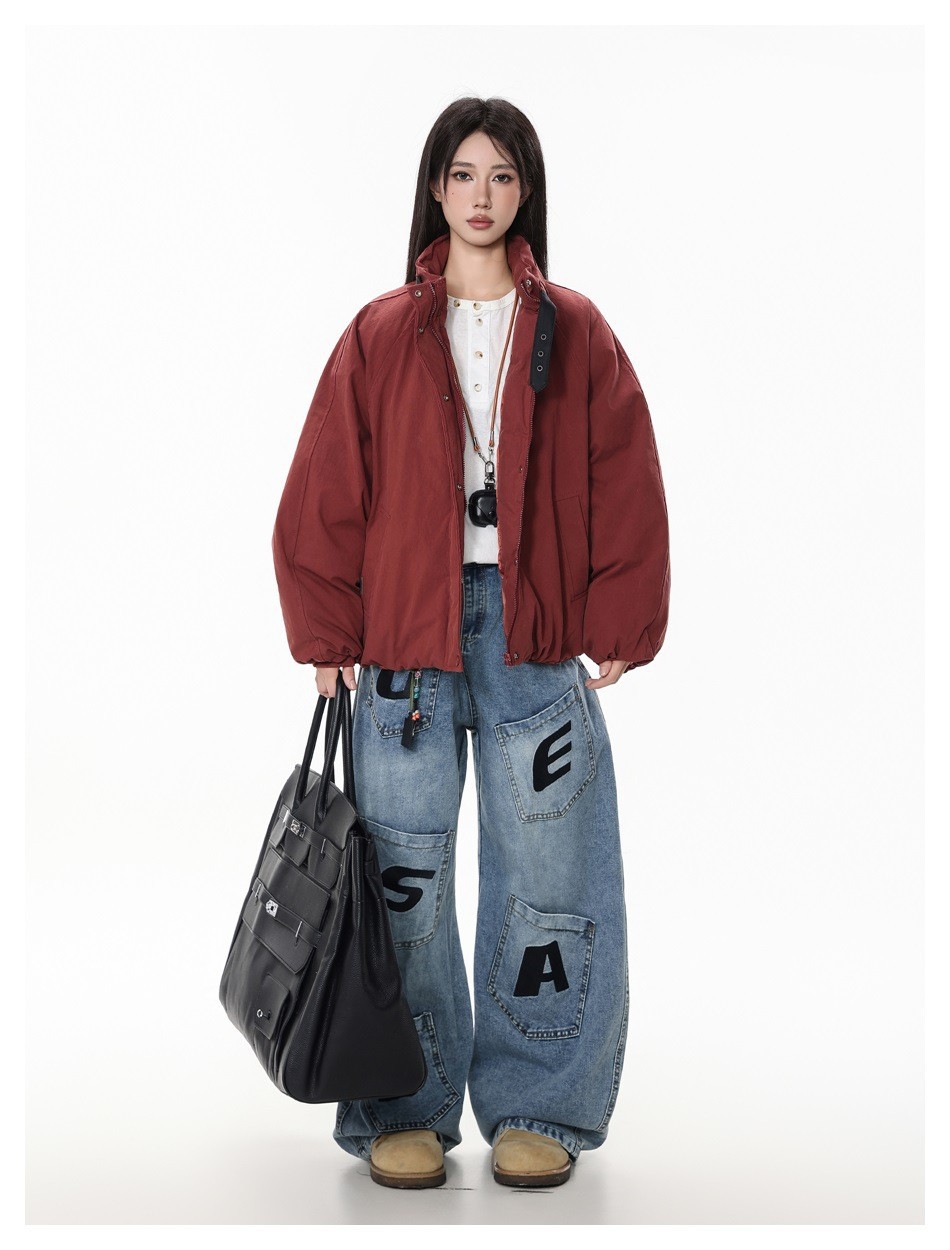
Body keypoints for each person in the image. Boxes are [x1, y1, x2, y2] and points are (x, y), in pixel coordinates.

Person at [271, 97, 670, 1189]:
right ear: (435, 189)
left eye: (500, 175)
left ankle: (541, 1102)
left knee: (551, 869)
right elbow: (327, 482)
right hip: (403, 638)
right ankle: (400, 1101)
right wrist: (326, 631)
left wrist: (622, 617)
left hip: (532, 630)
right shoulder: (379, 333)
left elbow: (624, 471)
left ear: (524, 189)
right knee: (400, 874)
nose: (480, 195)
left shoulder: (574, 330)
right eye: (462, 174)